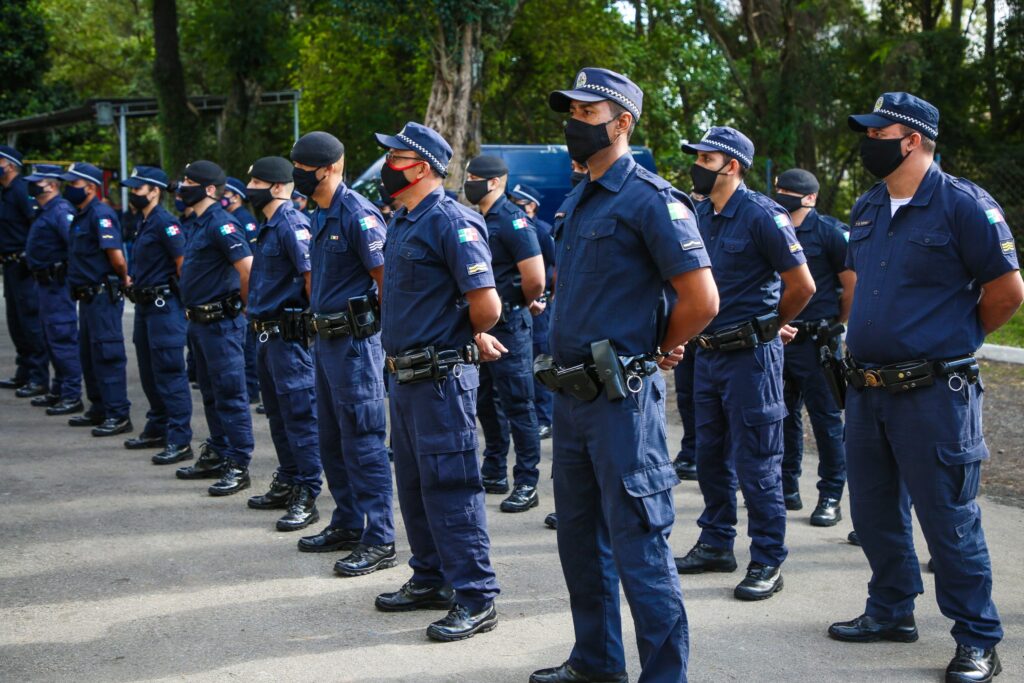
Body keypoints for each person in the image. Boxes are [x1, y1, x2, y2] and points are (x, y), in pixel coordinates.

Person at [530, 67, 719, 683]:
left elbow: (702, 299)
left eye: (587, 114)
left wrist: (660, 350)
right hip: (572, 399)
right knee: (580, 544)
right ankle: (596, 661)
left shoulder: (650, 198)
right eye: (573, 113)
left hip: (620, 402)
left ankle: (664, 675)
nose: (575, 124)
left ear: (623, 123)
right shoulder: (580, 195)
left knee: (640, 545)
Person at [828, 92, 1023, 683]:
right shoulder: (866, 207)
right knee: (875, 511)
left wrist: (950, 340)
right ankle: (890, 611)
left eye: (877, 133)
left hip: (934, 393)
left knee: (949, 520)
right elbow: (863, 288)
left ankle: (977, 640)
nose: (867, 142)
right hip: (866, 391)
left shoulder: (963, 205)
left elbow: (1007, 291)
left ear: (911, 139)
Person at [374, 121, 503, 642]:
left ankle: (476, 596)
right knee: (415, 486)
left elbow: (487, 307)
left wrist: (459, 339)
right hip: (406, 379)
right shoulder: (405, 219)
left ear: (421, 166)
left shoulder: (453, 221)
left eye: (395, 158)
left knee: (451, 488)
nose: (387, 167)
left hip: (441, 379)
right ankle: (430, 577)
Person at [674, 126, 815, 602]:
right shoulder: (699, 215)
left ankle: (768, 560)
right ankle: (715, 543)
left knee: (758, 463)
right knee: (709, 457)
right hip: (707, 355)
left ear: (731, 166)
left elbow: (803, 286)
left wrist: (772, 324)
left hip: (751, 357)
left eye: (706, 159)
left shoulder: (761, 215)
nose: (697, 165)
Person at [288, 132, 396, 575]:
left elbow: (387, 280)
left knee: (363, 439)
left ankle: (381, 537)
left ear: (331, 167)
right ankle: (348, 521)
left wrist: (385, 339)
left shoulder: (358, 214)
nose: (296, 174)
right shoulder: (318, 213)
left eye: (304, 167)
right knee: (331, 439)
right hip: (325, 343)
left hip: (354, 345)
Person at [242, 156, 323, 531]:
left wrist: (308, 326)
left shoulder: (292, 224)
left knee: (300, 417)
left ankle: (307, 491)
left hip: (288, 338)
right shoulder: (269, 226)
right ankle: (289, 478)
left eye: (257, 183)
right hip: (266, 336)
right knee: (277, 416)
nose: (250, 189)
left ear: (277, 187)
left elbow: (310, 278)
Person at [773, 168, 855, 525]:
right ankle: (787, 486)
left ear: (810, 198)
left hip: (818, 341)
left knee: (825, 421)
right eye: (778, 188)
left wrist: (837, 325)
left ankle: (830, 496)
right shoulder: (773, 226)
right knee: (783, 415)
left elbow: (850, 285)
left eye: (789, 191)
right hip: (782, 337)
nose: (781, 194)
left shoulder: (829, 233)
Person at [465, 155, 545, 513]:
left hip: (510, 323)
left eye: (474, 177)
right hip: (478, 325)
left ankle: (527, 480)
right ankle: (494, 468)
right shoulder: (472, 218)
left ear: (495, 181)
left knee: (518, 402)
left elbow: (536, 278)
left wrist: (518, 304)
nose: (469, 182)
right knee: (485, 400)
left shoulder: (513, 219)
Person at [173, 160, 255, 497]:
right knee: (210, 392)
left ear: (209, 189)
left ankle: (239, 462)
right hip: (200, 322)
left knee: (230, 394)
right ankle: (219, 451)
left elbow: (248, 268)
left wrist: (246, 308)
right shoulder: (196, 222)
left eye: (190, 180)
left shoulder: (223, 224)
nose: (182, 185)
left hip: (222, 322)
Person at [121, 166, 194, 465]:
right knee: (149, 372)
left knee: (169, 373)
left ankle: (179, 439)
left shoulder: (166, 224)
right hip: (145, 306)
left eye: (138, 189)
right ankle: (157, 427)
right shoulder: (144, 221)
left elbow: (182, 264)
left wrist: (185, 302)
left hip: (165, 307)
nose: (132, 194)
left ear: (154, 191)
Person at [61, 163, 134, 437]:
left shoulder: (101, 215)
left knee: (107, 354)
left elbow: (116, 257)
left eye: (74, 184)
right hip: (87, 297)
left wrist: (124, 278)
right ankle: (99, 407)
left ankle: (118, 413)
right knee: (89, 354)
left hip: (103, 295)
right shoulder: (82, 214)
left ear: (90, 187)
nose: (70, 189)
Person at [22, 164, 83, 415]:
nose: (34, 185)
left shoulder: (60, 210)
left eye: (39, 181)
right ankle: (58, 389)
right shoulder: (44, 210)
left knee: (62, 338)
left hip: (57, 284)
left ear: (53, 185)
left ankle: (71, 394)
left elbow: (74, 246)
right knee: (50, 338)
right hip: (45, 285)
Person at [509, 182, 556, 441]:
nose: (514, 207)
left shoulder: (542, 231)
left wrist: (549, 298)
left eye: (519, 203)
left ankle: (544, 418)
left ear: (532, 207)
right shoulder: (514, 228)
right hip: (519, 304)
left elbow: (556, 266)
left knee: (540, 360)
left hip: (540, 306)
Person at [0, 145, 48, 395]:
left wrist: (32, 258)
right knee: (16, 322)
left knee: (30, 321)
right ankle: (24, 370)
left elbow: (35, 225)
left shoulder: (21, 190)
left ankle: (39, 376)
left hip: (23, 265)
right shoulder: (4, 192)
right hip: (9, 265)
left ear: (9, 165)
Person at [224, 176, 262, 407]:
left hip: (245, 290)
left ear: (236, 197)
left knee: (247, 345)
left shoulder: (244, 220)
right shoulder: (231, 218)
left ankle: (251, 388)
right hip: (238, 289)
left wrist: (247, 299)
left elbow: (250, 262)